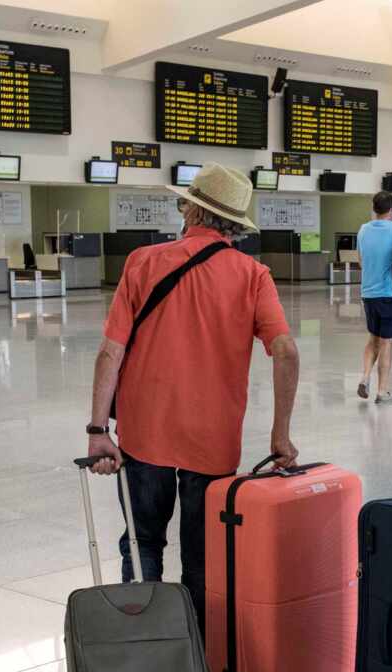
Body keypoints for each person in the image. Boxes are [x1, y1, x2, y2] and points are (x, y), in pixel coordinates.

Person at [85, 163, 300, 635]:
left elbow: (110, 351)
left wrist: (99, 430)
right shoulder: (253, 274)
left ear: (191, 209)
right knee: (204, 560)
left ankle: (145, 652)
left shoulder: (142, 261)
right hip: (214, 442)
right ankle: (200, 663)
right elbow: (285, 350)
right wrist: (280, 433)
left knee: (142, 544)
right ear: (233, 224)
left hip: (145, 436)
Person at [356, 190, 392, 404]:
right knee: (386, 343)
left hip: (368, 293)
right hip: (389, 293)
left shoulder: (363, 229)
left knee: (372, 338)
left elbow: (360, 260)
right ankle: (382, 391)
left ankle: (365, 377)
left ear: (373, 208)